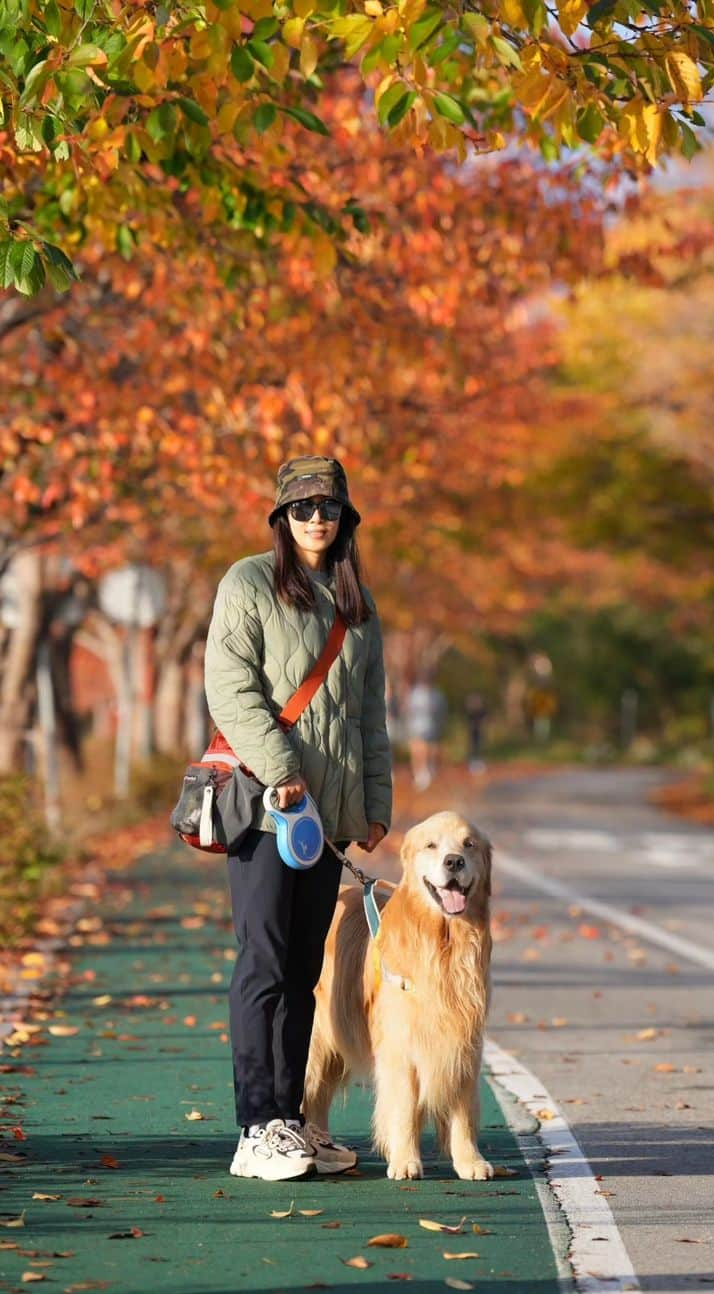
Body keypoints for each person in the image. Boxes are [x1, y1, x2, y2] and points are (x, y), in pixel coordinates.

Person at [204, 456, 392, 1182]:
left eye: (330, 506)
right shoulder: (248, 582)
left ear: (346, 518)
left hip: (330, 817)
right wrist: (281, 773)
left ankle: (294, 1122)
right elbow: (230, 687)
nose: (318, 517)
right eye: (303, 506)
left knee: (304, 969)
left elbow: (369, 718)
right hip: (265, 808)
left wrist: (375, 804)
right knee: (264, 960)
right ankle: (256, 1127)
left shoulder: (356, 603)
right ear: (281, 517)